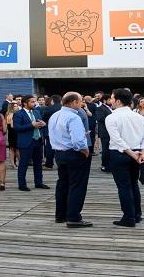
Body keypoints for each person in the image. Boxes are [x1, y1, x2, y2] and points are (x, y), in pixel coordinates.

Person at [106, 88, 144, 227]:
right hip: (137, 154)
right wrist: (142, 153)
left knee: (124, 186)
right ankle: (136, 214)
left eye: (113, 98)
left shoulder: (111, 117)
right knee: (133, 184)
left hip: (120, 154)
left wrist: (133, 153)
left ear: (118, 101)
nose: (111, 101)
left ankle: (128, 217)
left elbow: (117, 140)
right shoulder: (139, 117)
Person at [49, 92, 92, 228]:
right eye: (80, 102)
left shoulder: (55, 115)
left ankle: (60, 215)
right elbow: (78, 141)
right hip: (74, 154)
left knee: (63, 184)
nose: (82, 104)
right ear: (73, 102)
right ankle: (73, 217)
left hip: (59, 153)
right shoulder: (74, 117)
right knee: (77, 185)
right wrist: (85, 150)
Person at [13, 95, 50, 191]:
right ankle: (22, 184)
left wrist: (43, 124)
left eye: (35, 101)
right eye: (32, 102)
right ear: (25, 103)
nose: (35, 103)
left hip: (37, 140)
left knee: (38, 163)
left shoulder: (36, 112)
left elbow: (39, 124)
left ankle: (39, 182)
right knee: (24, 163)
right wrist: (31, 125)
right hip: (26, 142)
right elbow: (17, 128)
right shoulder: (18, 114)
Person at [94, 95, 113, 172]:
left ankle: (109, 164)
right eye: (110, 99)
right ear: (105, 100)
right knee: (105, 150)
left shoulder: (109, 108)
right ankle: (105, 165)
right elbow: (100, 119)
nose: (111, 101)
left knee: (109, 149)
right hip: (105, 132)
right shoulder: (100, 108)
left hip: (110, 132)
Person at [42, 94, 62, 170]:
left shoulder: (48, 109)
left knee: (49, 147)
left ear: (52, 101)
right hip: (61, 131)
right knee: (60, 147)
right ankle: (60, 163)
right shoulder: (63, 108)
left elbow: (44, 119)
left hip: (49, 131)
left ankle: (49, 164)